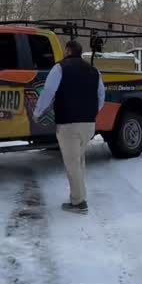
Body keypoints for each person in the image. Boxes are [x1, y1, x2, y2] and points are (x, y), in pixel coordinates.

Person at [33, 38, 105, 213]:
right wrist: (91, 113)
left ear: (67, 51)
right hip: (88, 124)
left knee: (72, 163)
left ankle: (78, 203)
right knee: (79, 160)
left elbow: (48, 92)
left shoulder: (60, 68)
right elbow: (101, 95)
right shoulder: (94, 71)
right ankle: (80, 196)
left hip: (68, 124)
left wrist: (37, 112)